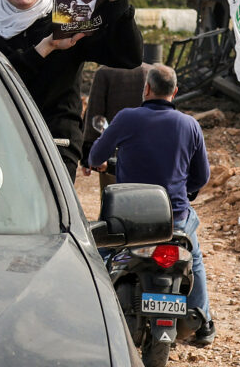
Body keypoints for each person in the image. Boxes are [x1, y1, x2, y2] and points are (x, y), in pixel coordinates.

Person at [0, 0, 142, 182]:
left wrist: (119, 2)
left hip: (57, 142)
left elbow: (129, 57)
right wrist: (47, 47)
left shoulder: (65, 15)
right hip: (4, 140)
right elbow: (4, 82)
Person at [87, 64, 215, 347]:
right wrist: (186, 190)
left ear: (146, 89)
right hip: (174, 217)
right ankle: (203, 321)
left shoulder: (126, 118)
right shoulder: (189, 124)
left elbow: (96, 154)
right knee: (193, 258)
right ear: (175, 92)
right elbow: (202, 176)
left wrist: (101, 162)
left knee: (100, 254)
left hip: (129, 217)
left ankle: (96, 315)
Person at [82, 62, 153, 191]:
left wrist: (88, 156)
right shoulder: (150, 71)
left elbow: (95, 114)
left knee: (114, 202)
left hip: (113, 155)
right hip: (147, 152)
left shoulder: (104, 72)